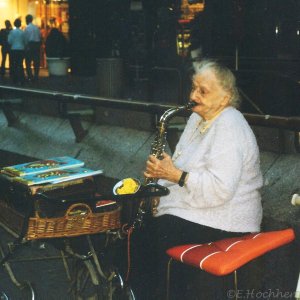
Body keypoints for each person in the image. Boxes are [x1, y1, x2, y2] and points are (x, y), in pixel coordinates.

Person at [132, 59, 263, 299]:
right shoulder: (197, 119)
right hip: (199, 209)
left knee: (151, 236)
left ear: (225, 98)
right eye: (193, 87)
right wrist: (160, 182)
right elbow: (180, 168)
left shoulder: (230, 125)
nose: (193, 95)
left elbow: (220, 190)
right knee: (134, 225)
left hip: (226, 217)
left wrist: (173, 175)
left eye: (203, 91)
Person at [7, 18, 26, 85]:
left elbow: (9, 41)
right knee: (20, 64)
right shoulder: (22, 32)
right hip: (21, 49)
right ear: (20, 24)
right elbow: (25, 41)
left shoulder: (12, 32)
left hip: (14, 49)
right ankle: (22, 78)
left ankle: (15, 79)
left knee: (14, 64)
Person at [24, 14, 41, 82]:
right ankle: (36, 75)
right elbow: (39, 36)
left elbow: (26, 39)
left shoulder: (27, 28)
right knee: (36, 61)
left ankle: (30, 76)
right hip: (36, 45)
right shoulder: (36, 27)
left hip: (30, 45)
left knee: (28, 61)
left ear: (27, 20)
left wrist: (25, 46)